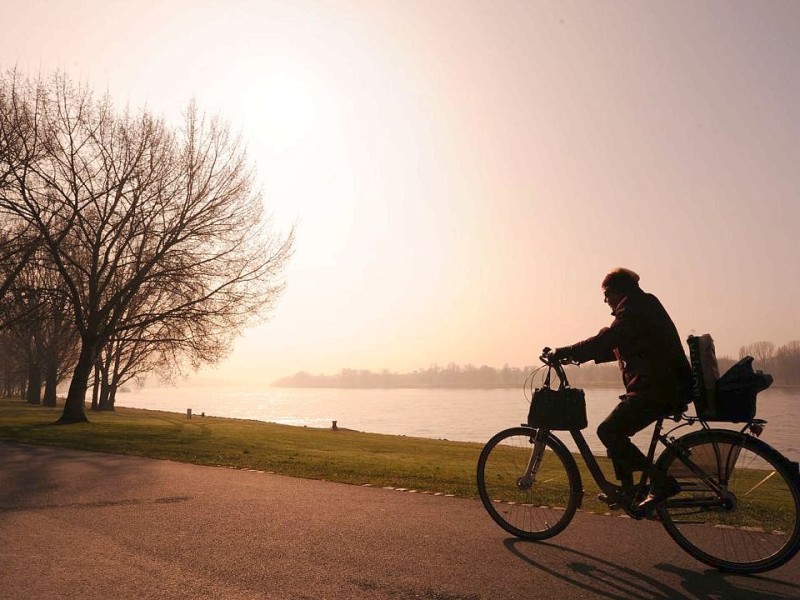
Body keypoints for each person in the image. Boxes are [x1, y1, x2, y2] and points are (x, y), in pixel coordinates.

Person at [551, 268, 693, 510]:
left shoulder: (636, 308)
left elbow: (610, 339)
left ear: (618, 291)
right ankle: (628, 491)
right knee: (615, 431)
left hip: (659, 388)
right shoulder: (640, 306)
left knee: (608, 431)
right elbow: (614, 346)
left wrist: (565, 351)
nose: (605, 300)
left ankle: (662, 482)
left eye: (606, 294)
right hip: (661, 386)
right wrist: (575, 356)